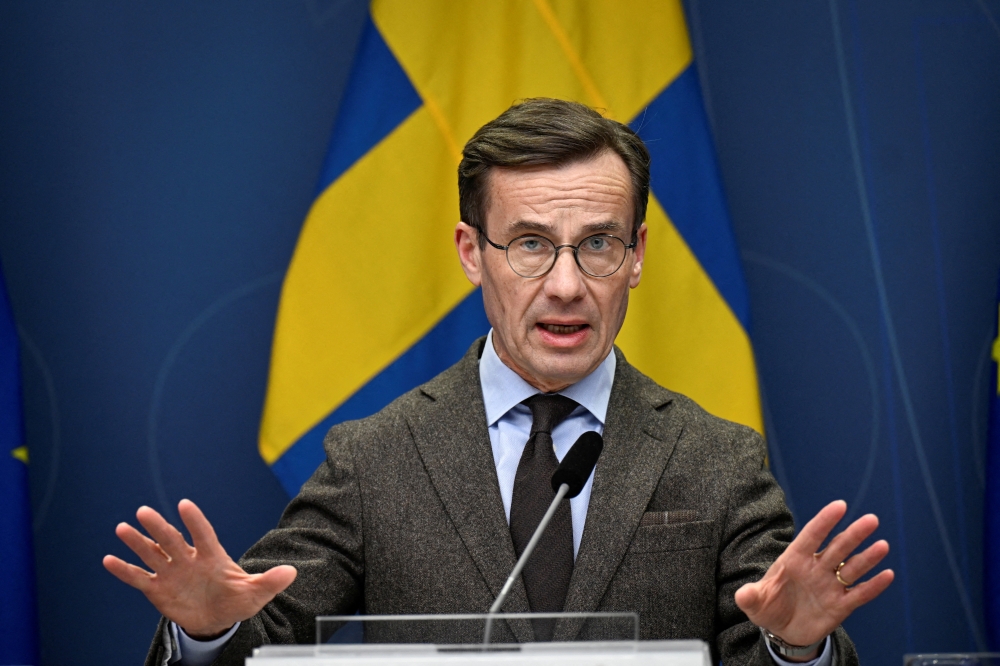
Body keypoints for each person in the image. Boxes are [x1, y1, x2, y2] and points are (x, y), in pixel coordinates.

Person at [105, 98, 894, 666]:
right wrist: (206, 634)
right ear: (470, 252)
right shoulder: (378, 457)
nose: (565, 285)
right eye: (528, 244)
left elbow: (776, 640)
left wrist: (798, 649)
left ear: (639, 255)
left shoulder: (718, 461)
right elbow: (257, 634)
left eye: (597, 245)